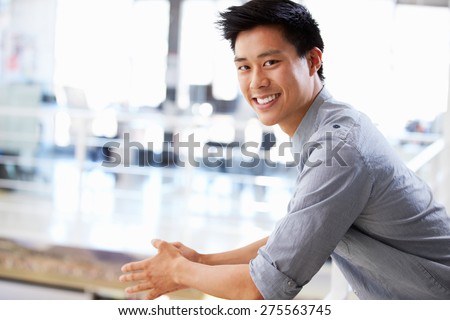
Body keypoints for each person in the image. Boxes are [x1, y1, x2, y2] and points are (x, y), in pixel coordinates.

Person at [119, 0, 450, 299]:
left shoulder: (338, 147)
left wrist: (179, 271)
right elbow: (296, 236)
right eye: (244, 67)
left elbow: (262, 289)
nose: (256, 82)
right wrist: (203, 261)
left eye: (271, 62)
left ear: (312, 60)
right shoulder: (328, 126)